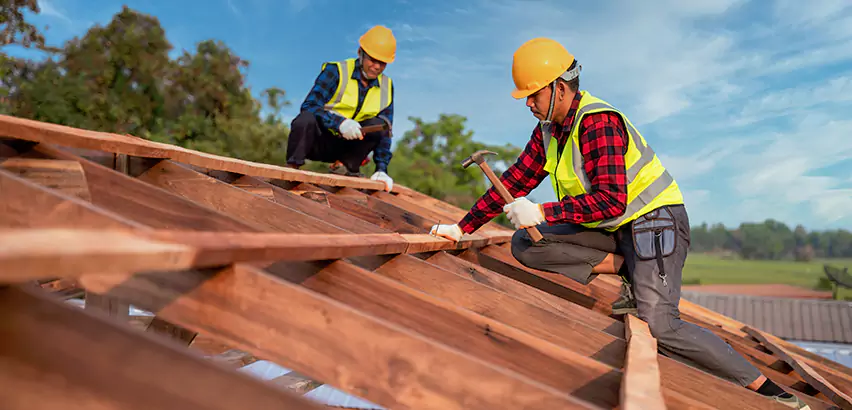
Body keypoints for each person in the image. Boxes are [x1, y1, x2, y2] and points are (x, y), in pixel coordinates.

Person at [429, 37, 810, 409]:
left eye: (534, 94)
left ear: (560, 88)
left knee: (661, 324)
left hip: (656, 224)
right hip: (616, 232)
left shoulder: (597, 122)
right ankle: (631, 269)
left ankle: (772, 393)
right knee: (525, 243)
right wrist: (463, 228)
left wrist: (543, 211)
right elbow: (513, 181)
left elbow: (612, 200)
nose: (528, 103)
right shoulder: (549, 132)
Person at [286, 25, 395, 192]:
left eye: (382, 63)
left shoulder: (386, 87)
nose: (377, 67)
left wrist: (381, 168)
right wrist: (340, 123)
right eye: (373, 60)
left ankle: (345, 168)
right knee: (305, 119)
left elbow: (386, 129)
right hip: (318, 142)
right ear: (360, 52)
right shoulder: (336, 71)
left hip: (347, 149)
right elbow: (310, 105)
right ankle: (292, 169)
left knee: (379, 125)